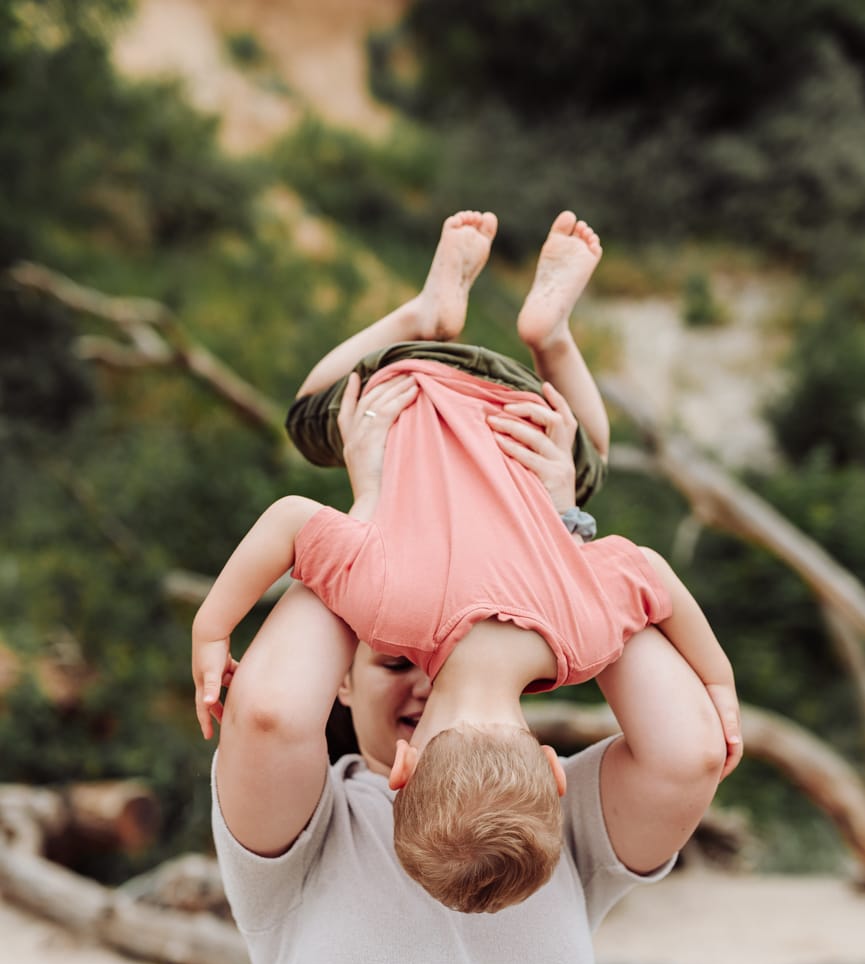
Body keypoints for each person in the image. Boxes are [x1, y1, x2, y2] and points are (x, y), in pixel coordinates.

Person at [192, 211, 741, 915]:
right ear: (409, 765)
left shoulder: (577, 635)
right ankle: (425, 311)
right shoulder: (390, 607)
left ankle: (548, 336)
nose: (410, 669)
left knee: (590, 458)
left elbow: (652, 576)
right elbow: (294, 520)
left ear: (551, 768)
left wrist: (716, 683)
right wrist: (212, 633)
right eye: (391, 663)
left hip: (526, 413)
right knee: (308, 413)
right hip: (410, 389)